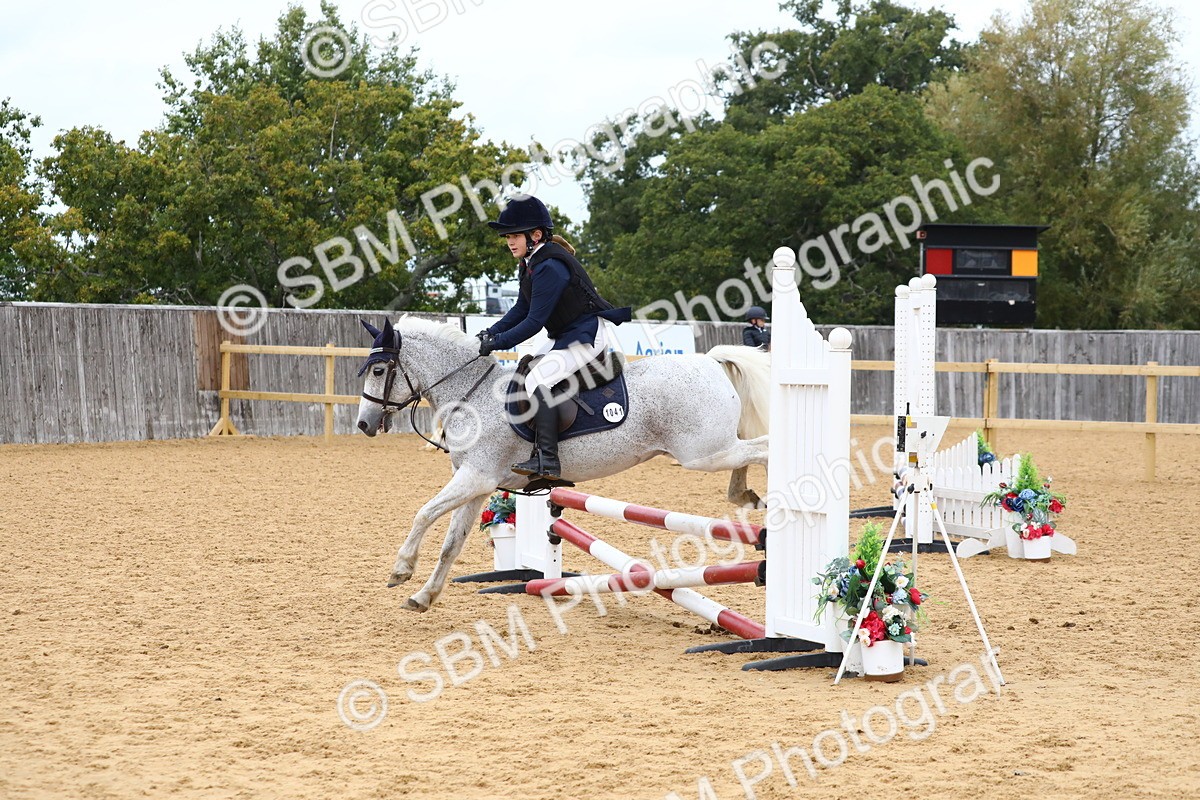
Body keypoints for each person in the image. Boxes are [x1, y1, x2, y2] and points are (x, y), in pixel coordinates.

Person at [477, 195, 631, 482]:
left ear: (535, 235)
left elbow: (533, 322)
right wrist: (491, 332)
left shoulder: (549, 267)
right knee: (526, 366)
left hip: (585, 335)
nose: (509, 241)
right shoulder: (530, 262)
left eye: (514, 236)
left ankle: (547, 460)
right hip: (564, 333)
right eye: (507, 236)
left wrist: (497, 343)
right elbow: (520, 309)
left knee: (538, 380)